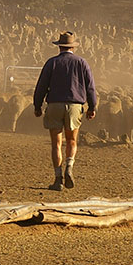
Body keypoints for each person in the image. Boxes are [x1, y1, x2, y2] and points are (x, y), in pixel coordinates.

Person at [33, 31, 97, 191]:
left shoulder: (51, 63)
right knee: (72, 141)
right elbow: (90, 87)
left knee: (56, 143)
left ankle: (58, 179)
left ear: (59, 46)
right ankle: (69, 166)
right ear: (73, 47)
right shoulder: (82, 62)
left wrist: (37, 105)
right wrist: (92, 106)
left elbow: (41, 85)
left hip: (54, 104)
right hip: (75, 105)